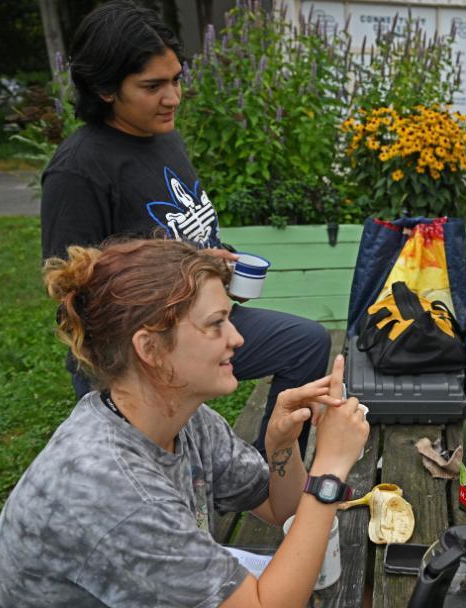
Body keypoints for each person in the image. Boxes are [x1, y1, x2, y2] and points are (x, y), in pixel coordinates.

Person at [0, 239, 369, 607]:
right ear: (149, 347)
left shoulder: (182, 419)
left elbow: (278, 509)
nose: (237, 338)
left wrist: (282, 444)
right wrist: (329, 471)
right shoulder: (112, 489)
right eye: (216, 323)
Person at [38, 0, 327, 458]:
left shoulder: (163, 136)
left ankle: (266, 470)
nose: (173, 97)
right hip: (139, 347)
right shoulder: (79, 170)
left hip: (202, 316)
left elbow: (184, 226)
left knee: (308, 345)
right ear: (105, 88)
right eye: (152, 86)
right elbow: (72, 295)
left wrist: (217, 259)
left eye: (176, 80)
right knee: (158, 469)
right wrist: (188, 273)